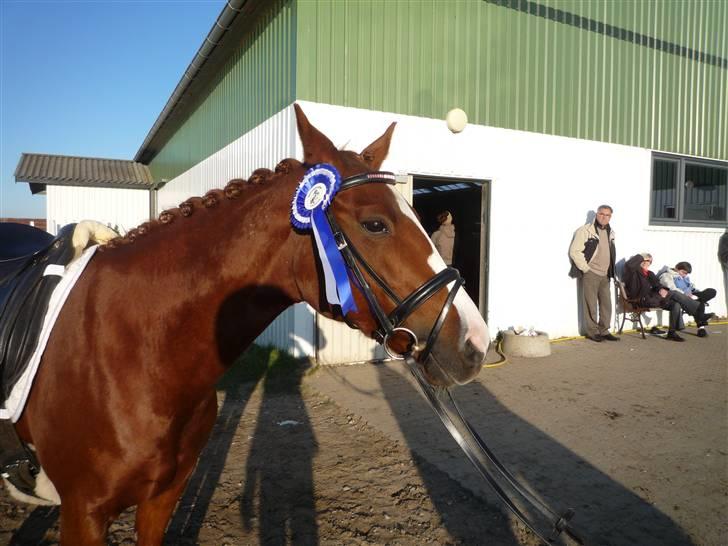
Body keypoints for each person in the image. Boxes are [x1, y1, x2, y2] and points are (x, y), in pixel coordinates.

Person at [624, 253, 713, 341]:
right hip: (640, 300)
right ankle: (699, 314)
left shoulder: (649, 273)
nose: (649, 263)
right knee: (674, 293)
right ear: (641, 261)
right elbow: (629, 264)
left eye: (650, 262)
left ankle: (672, 333)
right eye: (647, 260)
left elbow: (656, 284)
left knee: (675, 304)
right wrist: (642, 256)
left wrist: (660, 289)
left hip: (651, 299)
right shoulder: (633, 272)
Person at [569, 205, 618, 342]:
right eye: (601, 214)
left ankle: (604, 330)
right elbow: (574, 251)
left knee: (606, 304)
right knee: (590, 304)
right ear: (596, 214)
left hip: (605, 274)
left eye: (607, 215)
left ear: (610, 217)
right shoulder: (585, 231)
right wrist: (586, 268)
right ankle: (592, 332)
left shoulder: (611, 232)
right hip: (591, 273)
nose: (604, 217)